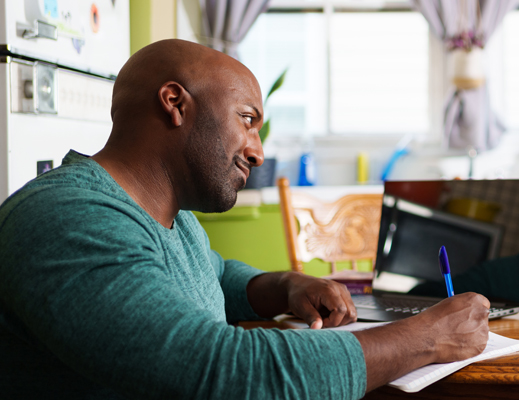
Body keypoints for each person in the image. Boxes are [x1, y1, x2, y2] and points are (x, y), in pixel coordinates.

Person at [0, 39, 491, 399]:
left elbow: (211, 275)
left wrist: (282, 285)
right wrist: (424, 339)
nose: (257, 151)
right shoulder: (66, 220)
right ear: (175, 104)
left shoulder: (169, 218)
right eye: (248, 119)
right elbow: (226, 374)